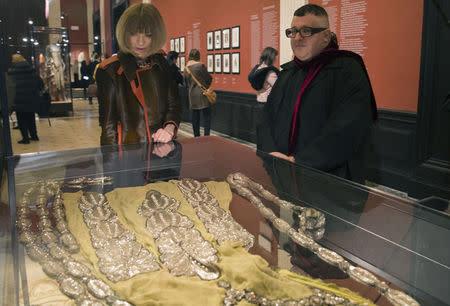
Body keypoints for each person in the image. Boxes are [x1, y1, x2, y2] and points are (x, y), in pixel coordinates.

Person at [257, 4, 377, 183]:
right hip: (284, 172)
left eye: (306, 31)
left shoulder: (347, 70)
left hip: (329, 179)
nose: (297, 38)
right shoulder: (289, 73)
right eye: (293, 31)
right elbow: (267, 117)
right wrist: (271, 153)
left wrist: (299, 161)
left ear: (326, 36)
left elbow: (348, 128)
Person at [95, 3, 180, 146]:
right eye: (134, 34)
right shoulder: (110, 71)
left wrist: (169, 129)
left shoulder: (161, 63)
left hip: (161, 152)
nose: (141, 41)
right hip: (128, 157)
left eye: (148, 34)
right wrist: (111, 167)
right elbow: (108, 128)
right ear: (125, 33)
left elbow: (173, 106)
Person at [6, 54, 41, 144]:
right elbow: (39, 83)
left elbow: (10, 86)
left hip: (19, 99)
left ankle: (25, 138)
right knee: (31, 118)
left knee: (21, 119)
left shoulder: (12, 72)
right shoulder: (31, 70)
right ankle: (34, 136)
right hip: (31, 98)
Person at [184, 49, 212, 137]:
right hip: (203, 93)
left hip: (192, 94)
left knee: (195, 116)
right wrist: (206, 86)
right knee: (206, 115)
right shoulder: (200, 65)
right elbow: (208, 78)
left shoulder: (186, 68)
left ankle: (196, 135)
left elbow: (185, 82)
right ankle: (206, 135)